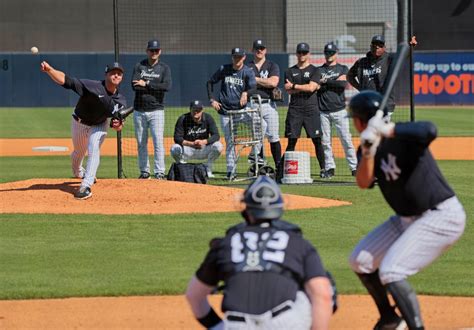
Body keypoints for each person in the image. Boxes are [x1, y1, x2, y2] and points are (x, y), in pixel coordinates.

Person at [347, 91, 466, 330]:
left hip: (441, 215)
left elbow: (430, 130)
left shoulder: (403, 136)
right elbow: (364, 182)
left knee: (391, 270)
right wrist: (369, 151)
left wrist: (389, 131)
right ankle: (390, 318)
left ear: (360, 120)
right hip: (407, 219)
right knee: (360, 260)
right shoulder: (368, 145)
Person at [186, 176, 335, 329]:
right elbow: (322, 295)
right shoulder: (298, 242)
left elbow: (194, 296)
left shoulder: (226, 243)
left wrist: (219, 327)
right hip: (284, 324)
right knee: (319, 287)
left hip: (237, 326)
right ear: (279, 207)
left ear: (246, 208)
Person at [40, 61, 126, 200]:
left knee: (94, 149)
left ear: (122, 77)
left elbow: (118, 125)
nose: (116, 75)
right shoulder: (92, 86)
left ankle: (86, 185)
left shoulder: (120, 100)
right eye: (113, 72)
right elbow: (66, 81)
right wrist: (50, 70)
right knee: (78, 152)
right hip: (79, 122)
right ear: (106, 74)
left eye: (119, 73)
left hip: (99, 125)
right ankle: (78, 170)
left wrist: (117, 125)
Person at [207, 48, 257, 180]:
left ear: (244, 57)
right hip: (226, 112)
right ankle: (231, 170)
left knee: (261, 125)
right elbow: (210, 82)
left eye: (240, 57)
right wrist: (212, 100)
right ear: (232, 57)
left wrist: (246, 93)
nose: (237, 59)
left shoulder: (247, 71)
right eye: (235, 57)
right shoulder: (224, 69)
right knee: (230, 141)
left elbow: (253, 87)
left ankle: (254, 153)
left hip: (242, 111)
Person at [284, 42, 327, 178]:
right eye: (300, 52)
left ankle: (323, 169)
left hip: (311, 109)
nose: (302, 55)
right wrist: (303, 87)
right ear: (297, 54)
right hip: (295, 110)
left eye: (305, 52)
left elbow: (311, 88)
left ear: (309, 54)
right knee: (292, 140)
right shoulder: (289, 71)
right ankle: (283, 170)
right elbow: (288, 90)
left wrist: (295, 86)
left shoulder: (316, 70)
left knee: (317, 140)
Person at [131, 39, 172, 179]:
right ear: (147, 51)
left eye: (156, 50)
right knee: (141, 142)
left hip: (157, 111)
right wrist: (154, 86)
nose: (154, 53)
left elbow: (166, 87)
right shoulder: (139, 66)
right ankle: (145, 171)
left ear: (160, 51)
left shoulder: (164, 68)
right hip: (139, 110)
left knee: (158, 141)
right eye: (151, 50)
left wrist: (147, 83)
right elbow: (135, 85)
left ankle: (159, 171)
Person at [317, 42, 357, 178]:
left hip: (340, 110)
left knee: (346, 139)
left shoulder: (343, 68)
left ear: (336, 53)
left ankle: (354, 167)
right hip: (323, 111)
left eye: (332, 53)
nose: (329, 55)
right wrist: (333, 81)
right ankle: (330, 168)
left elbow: (342, 84)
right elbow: (317, 86)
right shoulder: (318, 70)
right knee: (326, 142)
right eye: (327, 53)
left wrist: (326, 81)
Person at [246, 39, 282, 169]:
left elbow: (273, 83)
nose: (259, 50)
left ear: (265, 50)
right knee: (258, 134)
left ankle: (279, 166)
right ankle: (257, 163)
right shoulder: (246, 67)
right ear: (253, 50)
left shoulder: (272, 65)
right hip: (252, 104)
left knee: (274, 136)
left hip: (269, 104)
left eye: (262, 48)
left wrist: (254, 79)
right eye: (257, 48)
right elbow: (245, 85)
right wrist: (264, 81)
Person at [170, 100, 223, 178]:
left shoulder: (208, 118)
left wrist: (204, 142)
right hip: (188, 149)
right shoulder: (183, 119)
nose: (196, 112)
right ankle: (182, 168)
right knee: (174, 148)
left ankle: (208, 168)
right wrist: (191, 144)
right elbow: (177, 138)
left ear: (202, 110)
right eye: (194, 110)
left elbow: (216, 136)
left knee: (218, 146)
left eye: (198, 110)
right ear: (190, 109)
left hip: (203, 149)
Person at [347, 35, 396, 114]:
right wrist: (359, 87)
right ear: (370, 46)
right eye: (375, 44)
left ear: (384, 47)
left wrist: (410, 47)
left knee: (381, 126)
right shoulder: (362, 62)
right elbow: (349, 76)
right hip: (367, 103)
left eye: (380, 45)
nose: (377, 47)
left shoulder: (389, 59)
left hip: (385, 103)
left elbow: (404, 56)